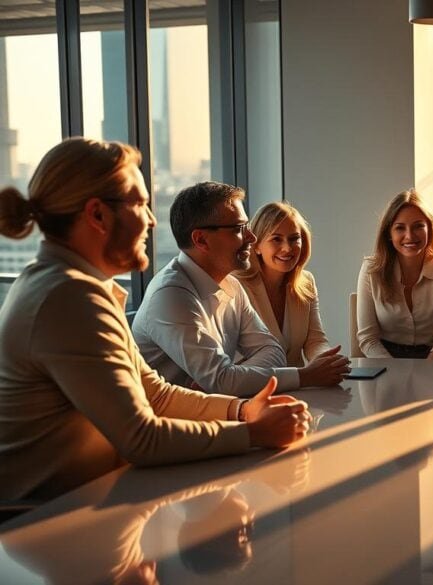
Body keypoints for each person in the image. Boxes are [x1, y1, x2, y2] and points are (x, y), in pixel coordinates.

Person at [0, 138, 310, 501]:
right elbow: (142, 439)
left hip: (87, 505)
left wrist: (242, 410)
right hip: (47, 521)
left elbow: (156, 396)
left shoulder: (74, 287)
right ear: (97, 215)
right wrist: (254, 433)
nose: (150, 221)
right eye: (142, 205)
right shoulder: (67, 298)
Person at [132, 182, 349, 397]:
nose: (251, 238)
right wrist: (305, 376)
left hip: (216, 414)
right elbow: (222, 381)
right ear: (201, 240)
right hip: (172, 425)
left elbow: (273, 351)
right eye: (239, 229)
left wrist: (232, 380)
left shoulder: (231, 284)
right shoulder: (170, 296)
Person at [235, 201, 343, 368]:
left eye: (294, 239)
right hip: (255, 387)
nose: (287, 248)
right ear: (256, 245)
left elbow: (315, 340)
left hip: (299, 387)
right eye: (276, 239)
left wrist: (326, 359)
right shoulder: (236, 284)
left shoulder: (306, 281)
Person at [356, 190, 433, 358]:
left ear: (429, 229)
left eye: (418, 226)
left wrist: (427, 369)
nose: (409, 236)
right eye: (400, 228)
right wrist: (395, 372)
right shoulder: (372, 269)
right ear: (389, 233)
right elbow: (368, 339)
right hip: (384, 359)